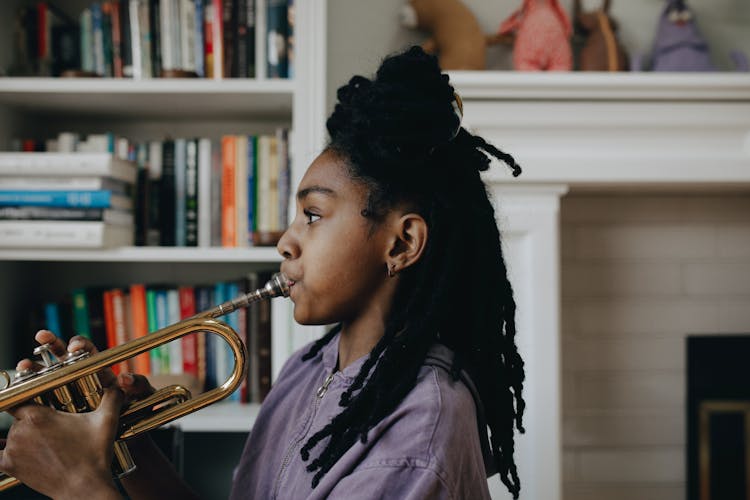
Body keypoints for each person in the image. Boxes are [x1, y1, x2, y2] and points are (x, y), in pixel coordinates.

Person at [0, 45, 526, 500]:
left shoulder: (418, 429)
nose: (285, 240)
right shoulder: (310, 368)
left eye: (313, 215)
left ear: (402, 242)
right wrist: (128, 444)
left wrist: (77, 484)